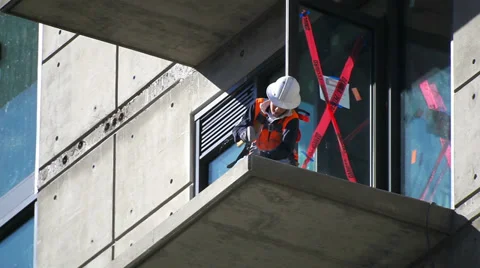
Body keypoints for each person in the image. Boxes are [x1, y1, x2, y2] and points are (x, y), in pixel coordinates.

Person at [230, 75, 303, 167]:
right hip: (255, 156)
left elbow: (286, 149)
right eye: (276, 104)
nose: (277, 110)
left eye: (282, 107)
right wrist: (244, 134)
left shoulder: (292, 119)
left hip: (282, 161)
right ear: (271, 98)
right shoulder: (256, 106)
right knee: (240, 167)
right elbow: (237, 129)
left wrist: (264, 155)